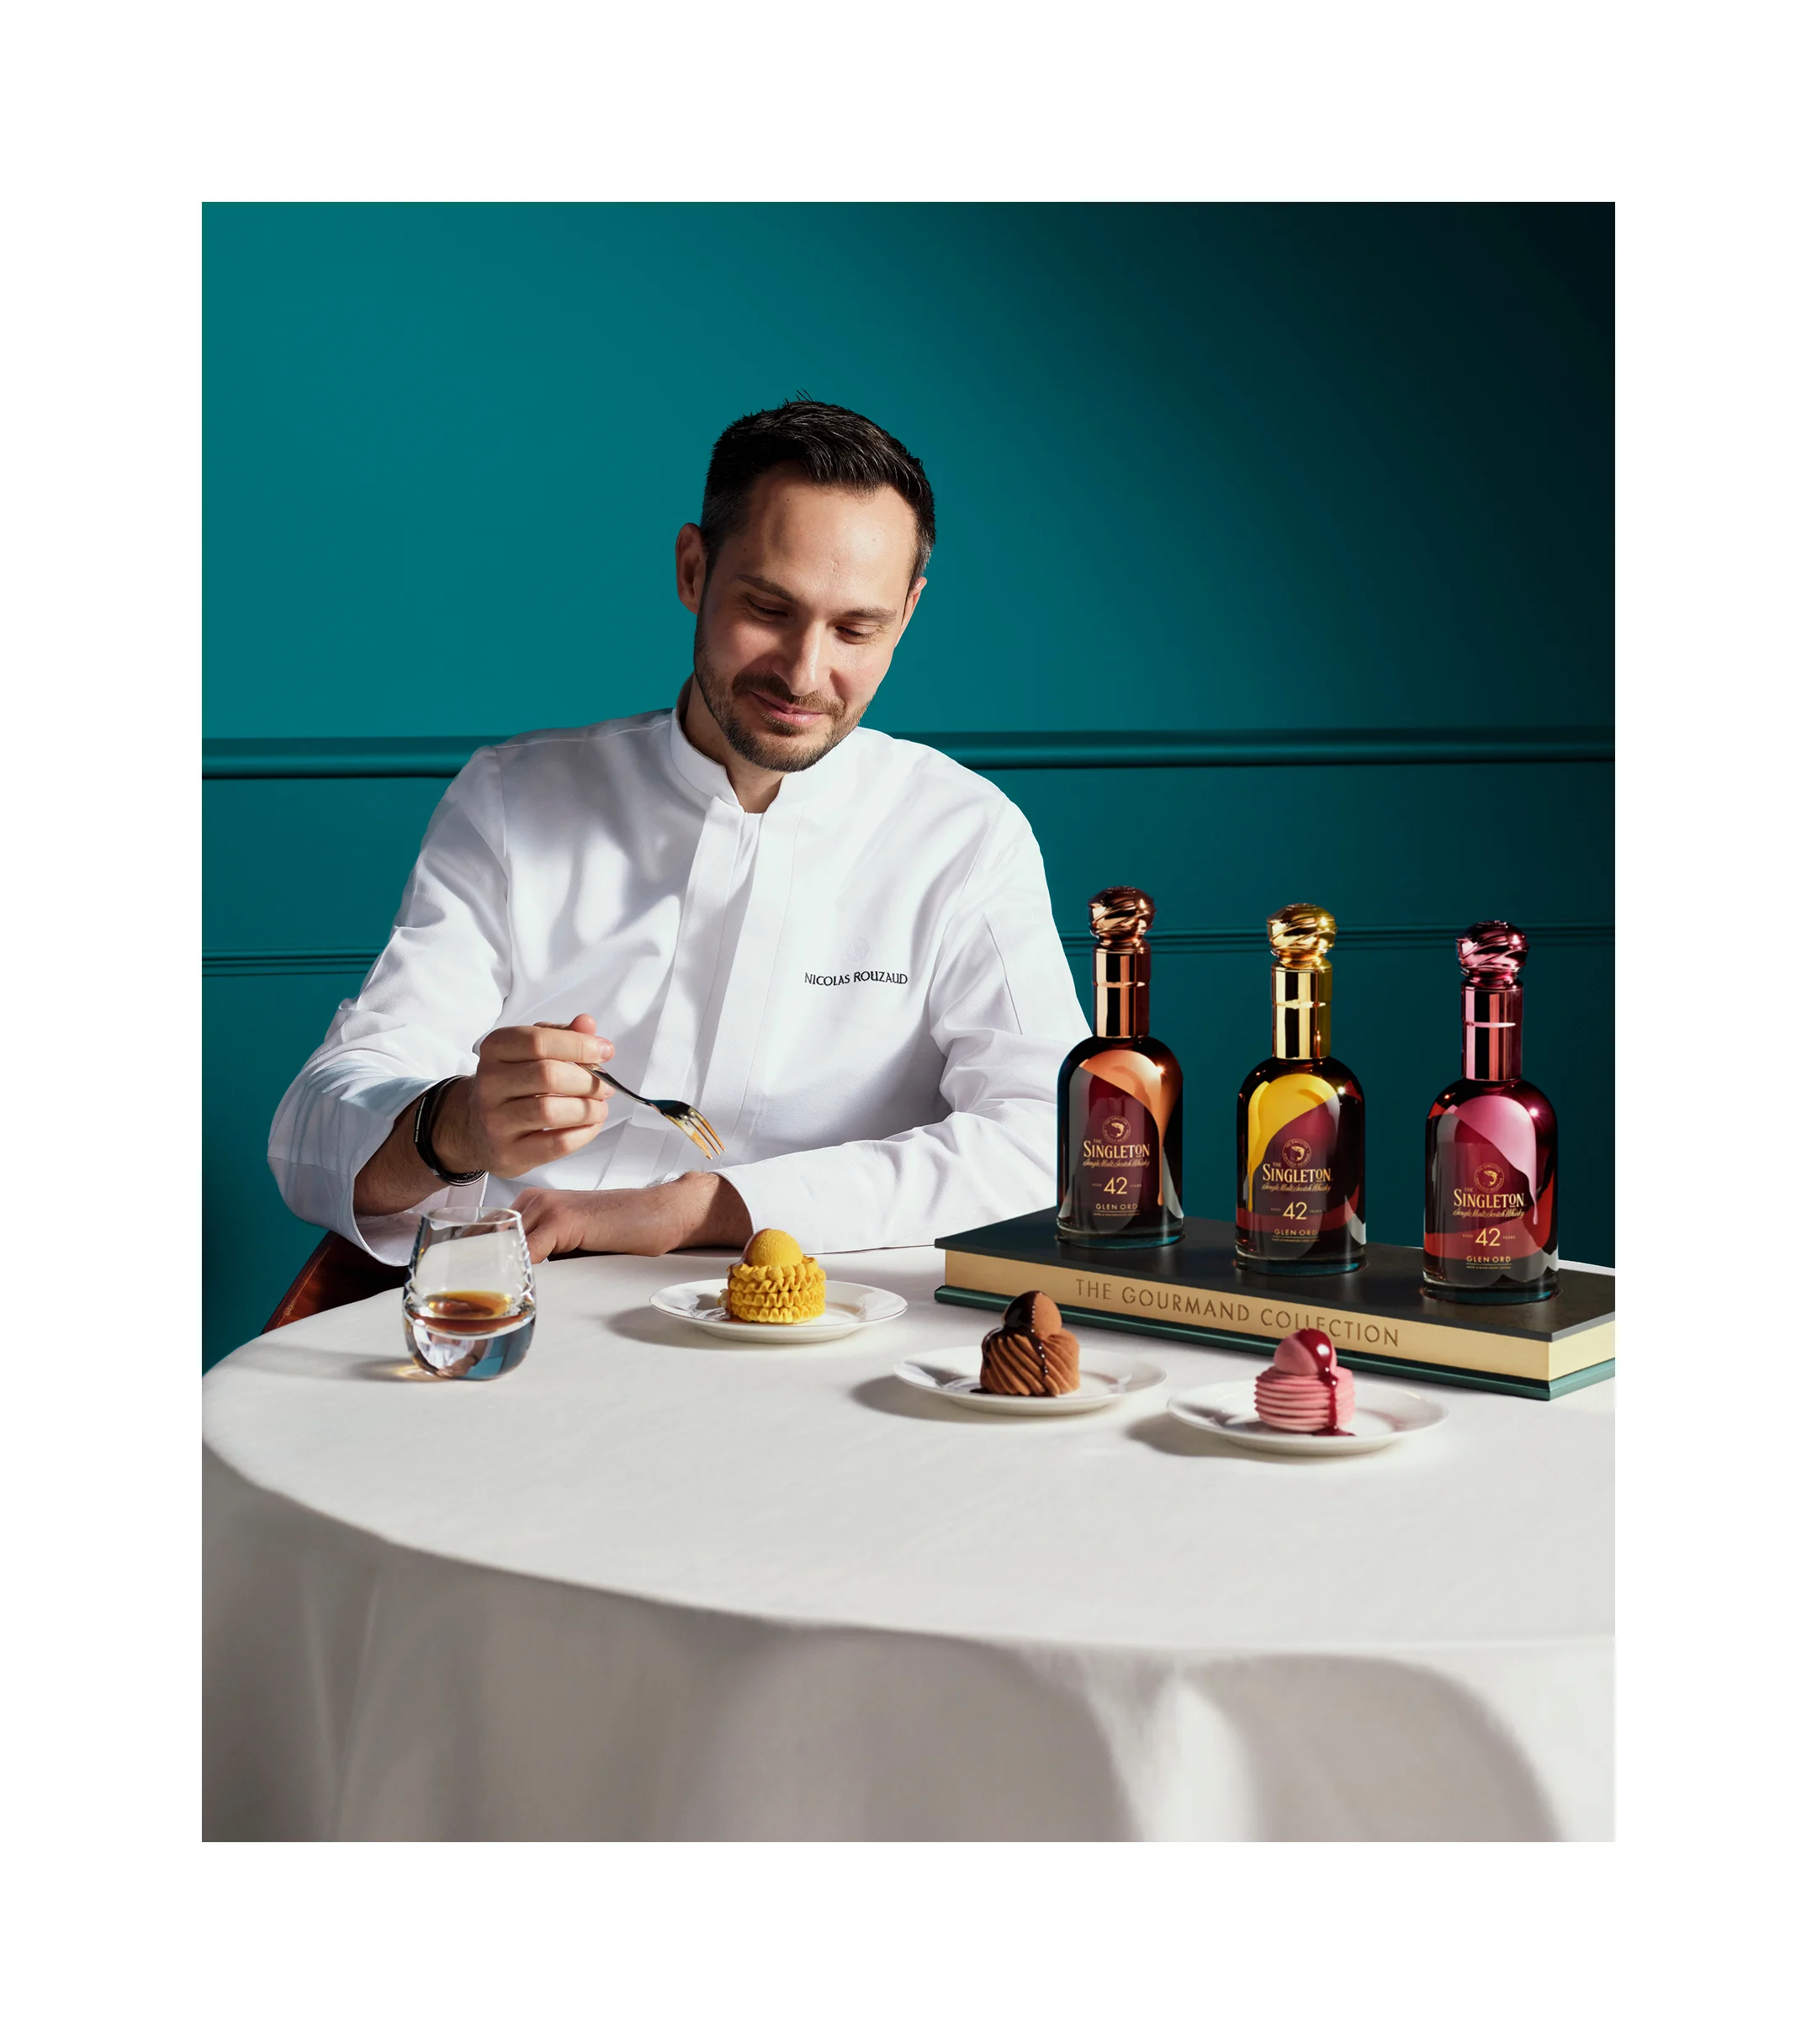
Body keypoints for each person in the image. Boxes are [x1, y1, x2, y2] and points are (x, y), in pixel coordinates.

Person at [269, 398, 1088, 1265]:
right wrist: (453, 1126)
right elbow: (312, 1131)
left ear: (908, 615)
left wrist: (709, 1209)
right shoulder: (513, 800)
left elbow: (1054, 1142)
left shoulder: (963, 836)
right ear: (693, 570)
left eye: (856, 628)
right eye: (769, 609)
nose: (805, 674)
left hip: (834, 1342)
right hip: (528, 1324)